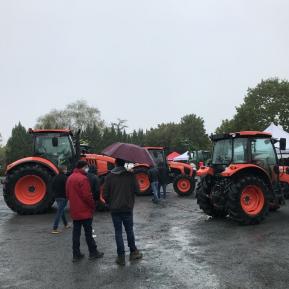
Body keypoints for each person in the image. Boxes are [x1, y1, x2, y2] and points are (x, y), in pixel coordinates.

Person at [103, 158, 143, 266]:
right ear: (124, 164)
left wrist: (109, 202)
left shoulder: (109, 177)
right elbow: (138, 191)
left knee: (118, 232)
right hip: (127, 207)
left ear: (115, 164)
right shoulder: (130, 176)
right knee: (129, 230)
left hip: (114, 209)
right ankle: (133, 252)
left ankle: (121, 257)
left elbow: (105, 194)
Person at [66, 160, 104, 263]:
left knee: (76, 233)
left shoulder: (70, 178)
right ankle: (93, 252)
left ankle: (76, 254)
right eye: (86, 167)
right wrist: (92, 206)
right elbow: (87, 196)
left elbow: (67, 194)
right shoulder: (83, 178)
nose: (87, 169)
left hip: (75, 211)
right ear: (83, 167)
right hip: (85, 211)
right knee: (89, 233)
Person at [51, 165, 70, 234]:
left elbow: (52, 187)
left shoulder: (55, 178)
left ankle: (66, 224)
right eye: (66, 169)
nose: (66, 170)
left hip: (57, 197)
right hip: (63, 197)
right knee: (59, 212)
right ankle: (54, 228)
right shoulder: (65, 178)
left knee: (61, 210)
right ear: (63, 170)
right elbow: (68, 188)